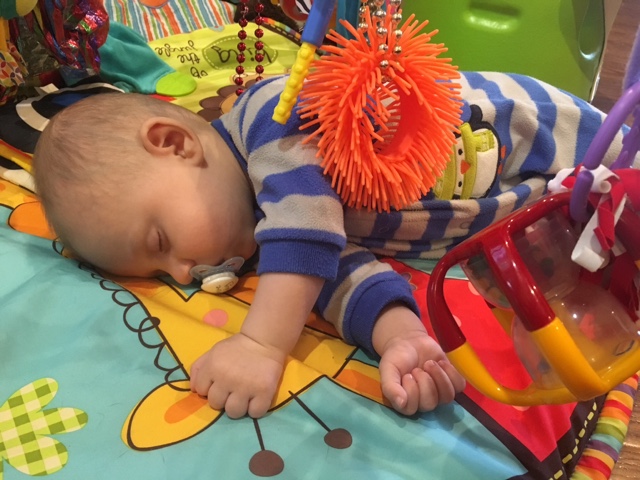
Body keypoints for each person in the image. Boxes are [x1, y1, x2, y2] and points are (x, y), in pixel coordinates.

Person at [32, 73, 630, 419]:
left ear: (174, 143)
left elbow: (309, 228)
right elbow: (337, 273)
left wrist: (261, 343)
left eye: (161, 241)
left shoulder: (272, 116)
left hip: (550, 134)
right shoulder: (269, 236)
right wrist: (401, 337)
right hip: (543, 203)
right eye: (162, 273)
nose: (184, 273)